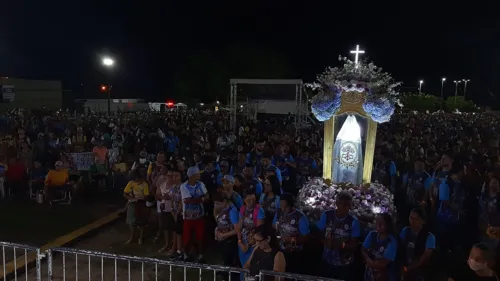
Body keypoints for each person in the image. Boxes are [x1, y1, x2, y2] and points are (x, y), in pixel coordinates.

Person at [316, 191, 361, 280]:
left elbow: (354, 244)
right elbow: (319, 233)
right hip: (327, 261)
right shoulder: (327, 215)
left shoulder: (353, 221)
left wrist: (342, 245)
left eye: (349, 205)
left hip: (344, 264)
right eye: (344, 205)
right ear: (337, 204)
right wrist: (326, 242)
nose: (347, 208)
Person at [273, 193, 310, 274]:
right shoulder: (279, 212)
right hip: (280, 250)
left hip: (294, 253)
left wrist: (291, 239)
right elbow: (273, 225)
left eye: (285, 207)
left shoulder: (300, 217)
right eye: (281, 206)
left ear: (291, 205)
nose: (283, 209)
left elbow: (306, 238)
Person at [180, 166, 209, 262]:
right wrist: (201, 199)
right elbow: (187, 201)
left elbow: (207, 196)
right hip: (188, 217)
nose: (199, 175)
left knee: (200, 236)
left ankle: (200, 256)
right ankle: (185, 255)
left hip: (200, 215)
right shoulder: (184, 186)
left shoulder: (200, 184)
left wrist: (197, 199)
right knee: (187, 237)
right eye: (198, 174)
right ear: (192, 175)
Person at [400, 207, 436, 281]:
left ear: (423, 221)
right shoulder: (405, 231)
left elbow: (423, 259)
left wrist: (407, 269)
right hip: (404, 265)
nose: (412, 221)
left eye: (416, 219)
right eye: (411, 218)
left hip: (420, 270)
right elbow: (399, 248)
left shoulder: (429, 237)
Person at [362, 213, 399, 281]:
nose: (379, 225)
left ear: (387, 225)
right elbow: (363, 250)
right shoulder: (372, 234)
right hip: (369, 275)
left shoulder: (391, 241)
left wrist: (371, 263)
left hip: (384, 276)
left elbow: (384, 263)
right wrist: (368, 259)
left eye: (382, 223)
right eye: (377, 222)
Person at [213, 191, 239, 281]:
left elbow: (237, 230)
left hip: (229, 240)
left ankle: (229, 277)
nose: (216, 205)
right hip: (223, 239)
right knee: (225, 259)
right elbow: (219, 220)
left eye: (218, 203)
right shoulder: (222, 208)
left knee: (230, 261)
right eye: (215, 203)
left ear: (224, 201)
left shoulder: (232, 211)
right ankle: (225, 272)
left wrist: (224, 235)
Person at [237, 189, 265, 268]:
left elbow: (260, 231)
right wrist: (239, 241)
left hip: (253, 244)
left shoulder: (259, 211)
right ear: (244, 200)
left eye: (253, 200)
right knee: (243, 265)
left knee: (251, 266)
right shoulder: (242, 209)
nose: (251, 202)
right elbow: (239, 227)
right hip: (243, 241)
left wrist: (247, 245)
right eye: (248, 200)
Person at [123, 169, 150, 244]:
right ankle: (132, 236)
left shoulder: (145, 184)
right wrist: (132, 199)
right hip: (132, 204)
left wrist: (143, 198)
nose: (136, 180)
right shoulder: (131, 183)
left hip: (141, 204)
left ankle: (140, 237)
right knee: (131, 222)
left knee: (141, 221)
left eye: (137, 178)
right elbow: (125, 194)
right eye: (134, 179)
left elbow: (147, 196)